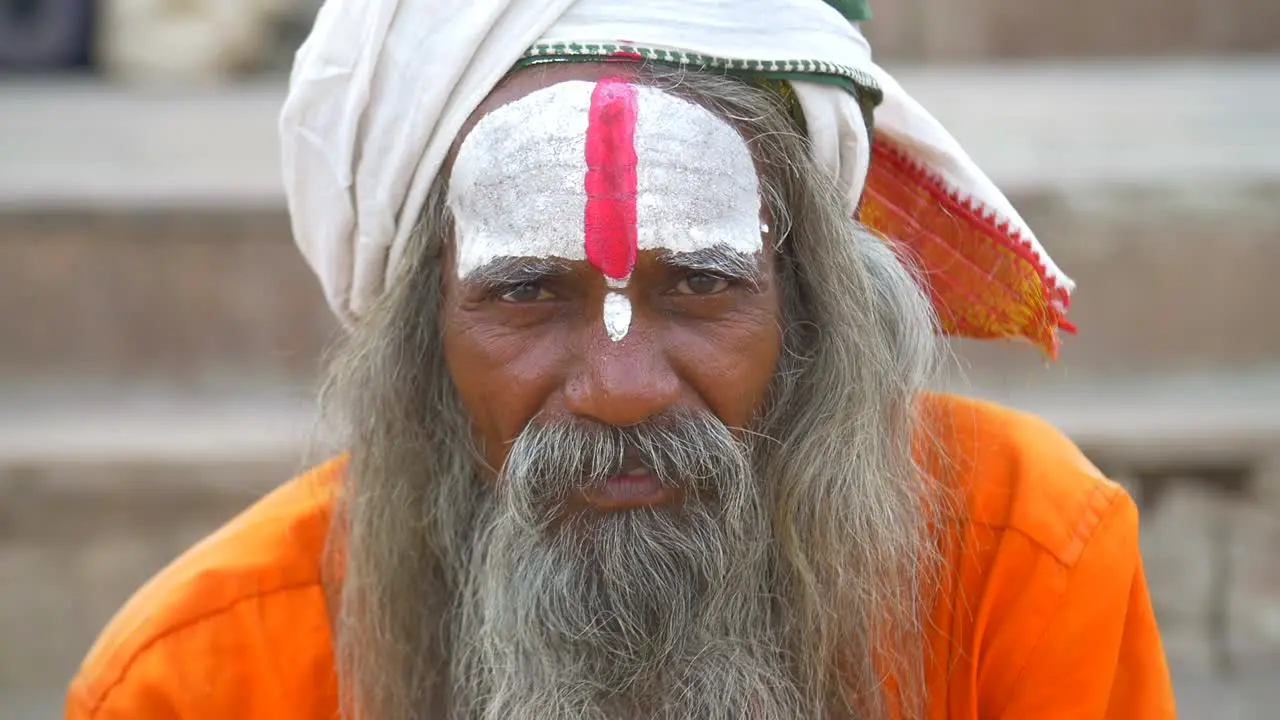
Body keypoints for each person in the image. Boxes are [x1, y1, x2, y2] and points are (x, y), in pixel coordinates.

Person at [65, 1, 1177, 718]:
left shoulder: (1019, 559)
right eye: (526, 291)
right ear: (416, 335)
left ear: (810, 306)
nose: (620, 386)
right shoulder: (199, 679)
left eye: (699, 284)